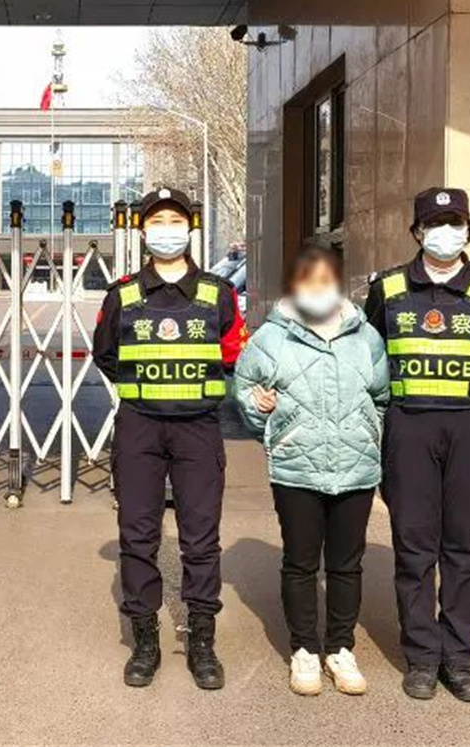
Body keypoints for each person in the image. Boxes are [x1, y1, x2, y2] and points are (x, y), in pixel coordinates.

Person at [365, 187, 470, 704]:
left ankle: (458, 659)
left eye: (455, 223)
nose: (446, 232)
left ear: (468, 230)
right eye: (435, 223)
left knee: (465, 547)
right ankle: (421, 657)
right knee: (414, 546)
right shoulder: (387, 288)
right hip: (408, 428)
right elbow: (365, 363)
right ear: (417, 232)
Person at [93, 186, 247, 690]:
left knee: (200, 538)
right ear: (142, 232)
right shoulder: (122, 295)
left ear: (190, 228)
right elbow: (106, 354)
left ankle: (202, 641)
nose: (166, 230)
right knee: (138, 536)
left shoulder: (218, 294)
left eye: (175, 221)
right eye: (156, 221)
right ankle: (145, 641)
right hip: (139, 427)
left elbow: (232, 354)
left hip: (198, 429)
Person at [234, 245, 390, 697]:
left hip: (355, 469)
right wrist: (261, 412)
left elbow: (382, 397)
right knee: (300, 562)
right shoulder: (271, 336)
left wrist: (367, 434)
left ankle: (340, 648)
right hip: (296, 468)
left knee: (346, 564)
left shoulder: (366, 336)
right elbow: (243, 389)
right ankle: (304, 649)